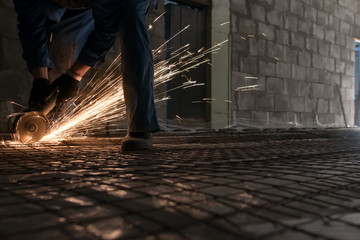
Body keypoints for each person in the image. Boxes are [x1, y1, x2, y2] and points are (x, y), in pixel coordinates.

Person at [13, 0, 160, 151]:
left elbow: (107, 28)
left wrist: (74, 75)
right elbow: (29, 24)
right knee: (61, 48)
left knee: (131, 21)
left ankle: (141, 126)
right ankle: (49, 121)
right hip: (83, 4)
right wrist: (40, 79)